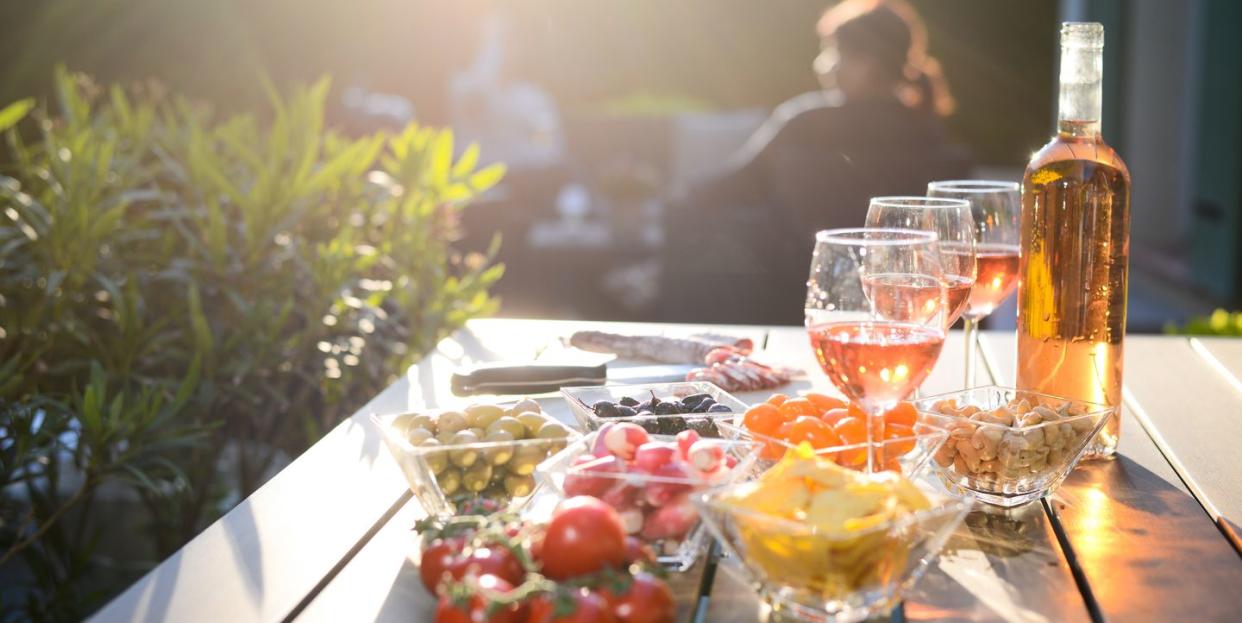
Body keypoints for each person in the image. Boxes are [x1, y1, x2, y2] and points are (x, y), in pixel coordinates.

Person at [661, 0, 969, 325]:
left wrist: (676, 196)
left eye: (833, 52)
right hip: (910, 310)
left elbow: (731, 187)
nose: (824, 65)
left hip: (799, 299)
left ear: (866, 62)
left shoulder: (808, 124)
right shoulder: (927, 130)